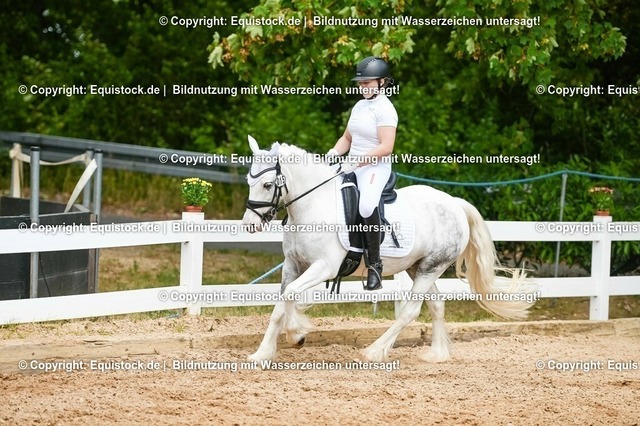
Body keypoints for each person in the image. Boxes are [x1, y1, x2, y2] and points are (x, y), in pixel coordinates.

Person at [327, 56, 398, 291]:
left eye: (367, 83)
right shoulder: (359, 106)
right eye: (361, 83)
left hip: (375, 167)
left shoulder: (386, 110)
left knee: (366, 206)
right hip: (352, 164)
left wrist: (357, 162)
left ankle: (375, 265)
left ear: (382, 82)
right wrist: (333, 153)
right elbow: (347, 138)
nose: (362, 87)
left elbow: (386, 147)